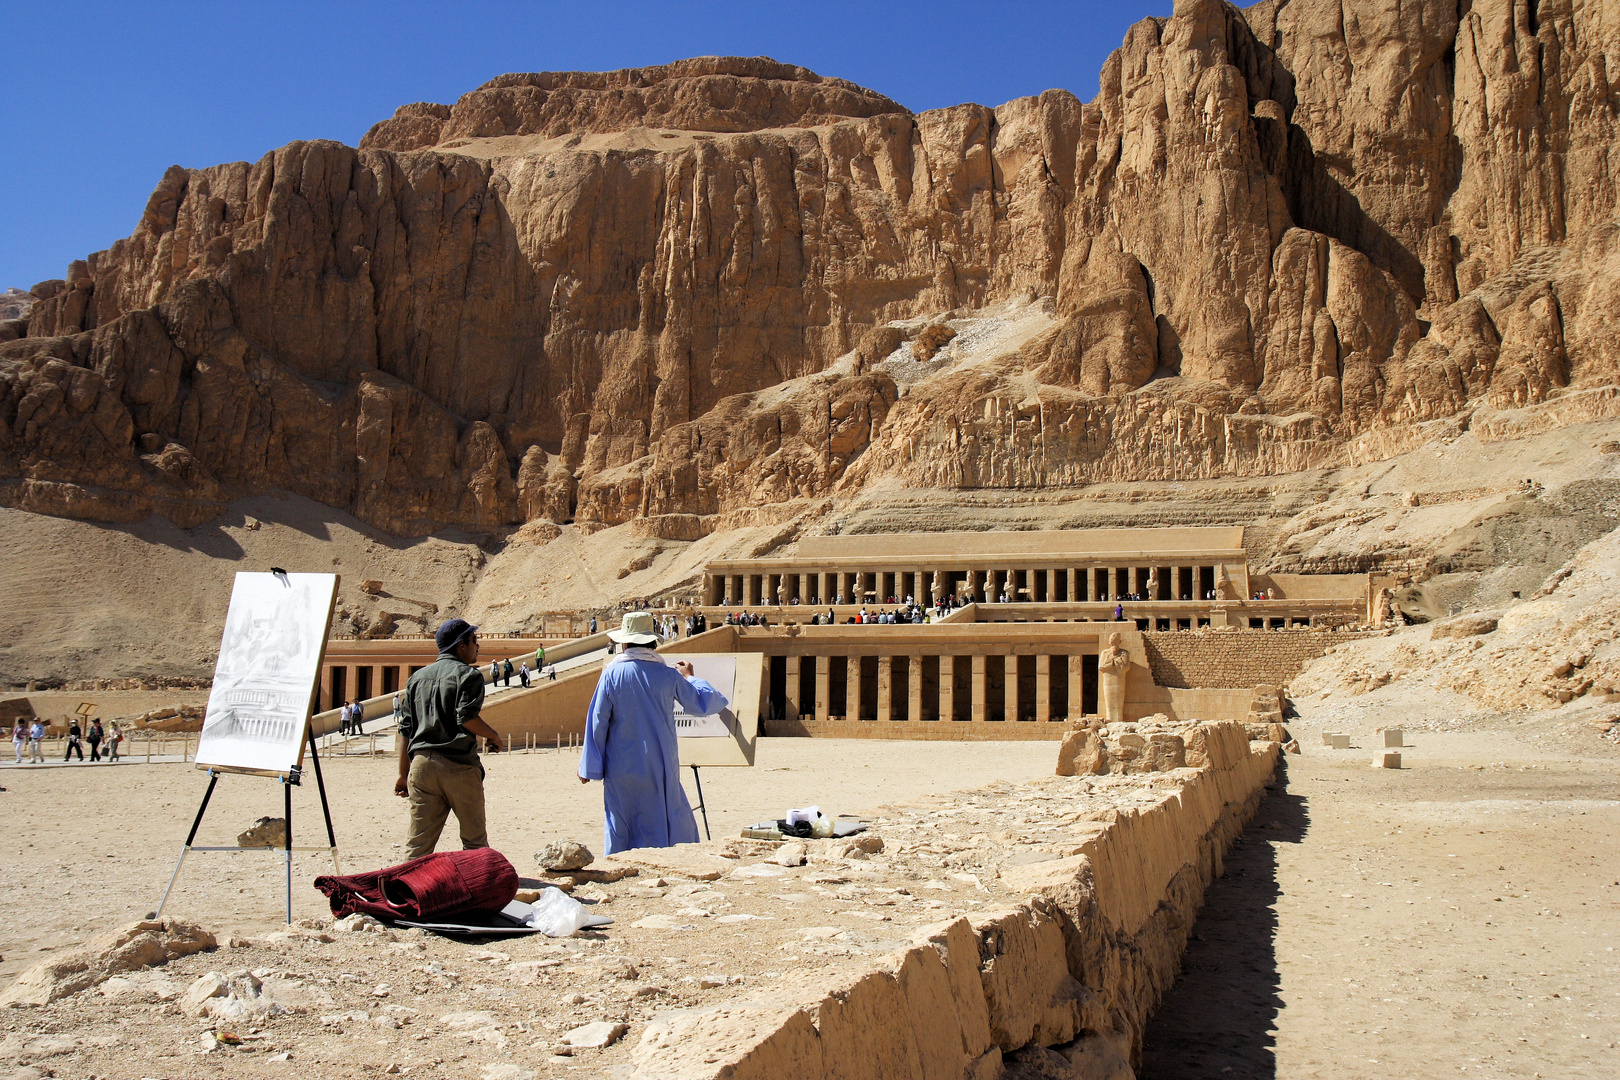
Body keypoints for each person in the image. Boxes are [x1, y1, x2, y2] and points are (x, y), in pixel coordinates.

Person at [579, 612, 729, 855]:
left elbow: (598, 721)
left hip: (621, 765)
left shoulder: (611, 674)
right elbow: (701, 703)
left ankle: (620, 862)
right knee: (664, 813)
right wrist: (691, 677)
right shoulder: (668, 675)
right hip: (660, 764)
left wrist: (590, 767)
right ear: (652, 642)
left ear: (625, 644)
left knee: (622, 818)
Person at [394, 618, 503, 860]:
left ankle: (405, 893)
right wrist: (493, 735)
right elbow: (466, 718)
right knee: (474, 842)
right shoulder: (468, 676)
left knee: (418, 845)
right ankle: (479, 892)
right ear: (461, 645)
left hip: (421, 768)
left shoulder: (416, 678)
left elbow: (406, 729)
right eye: (475, 641)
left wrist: (403, 774)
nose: (478, 647)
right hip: (458, 766)